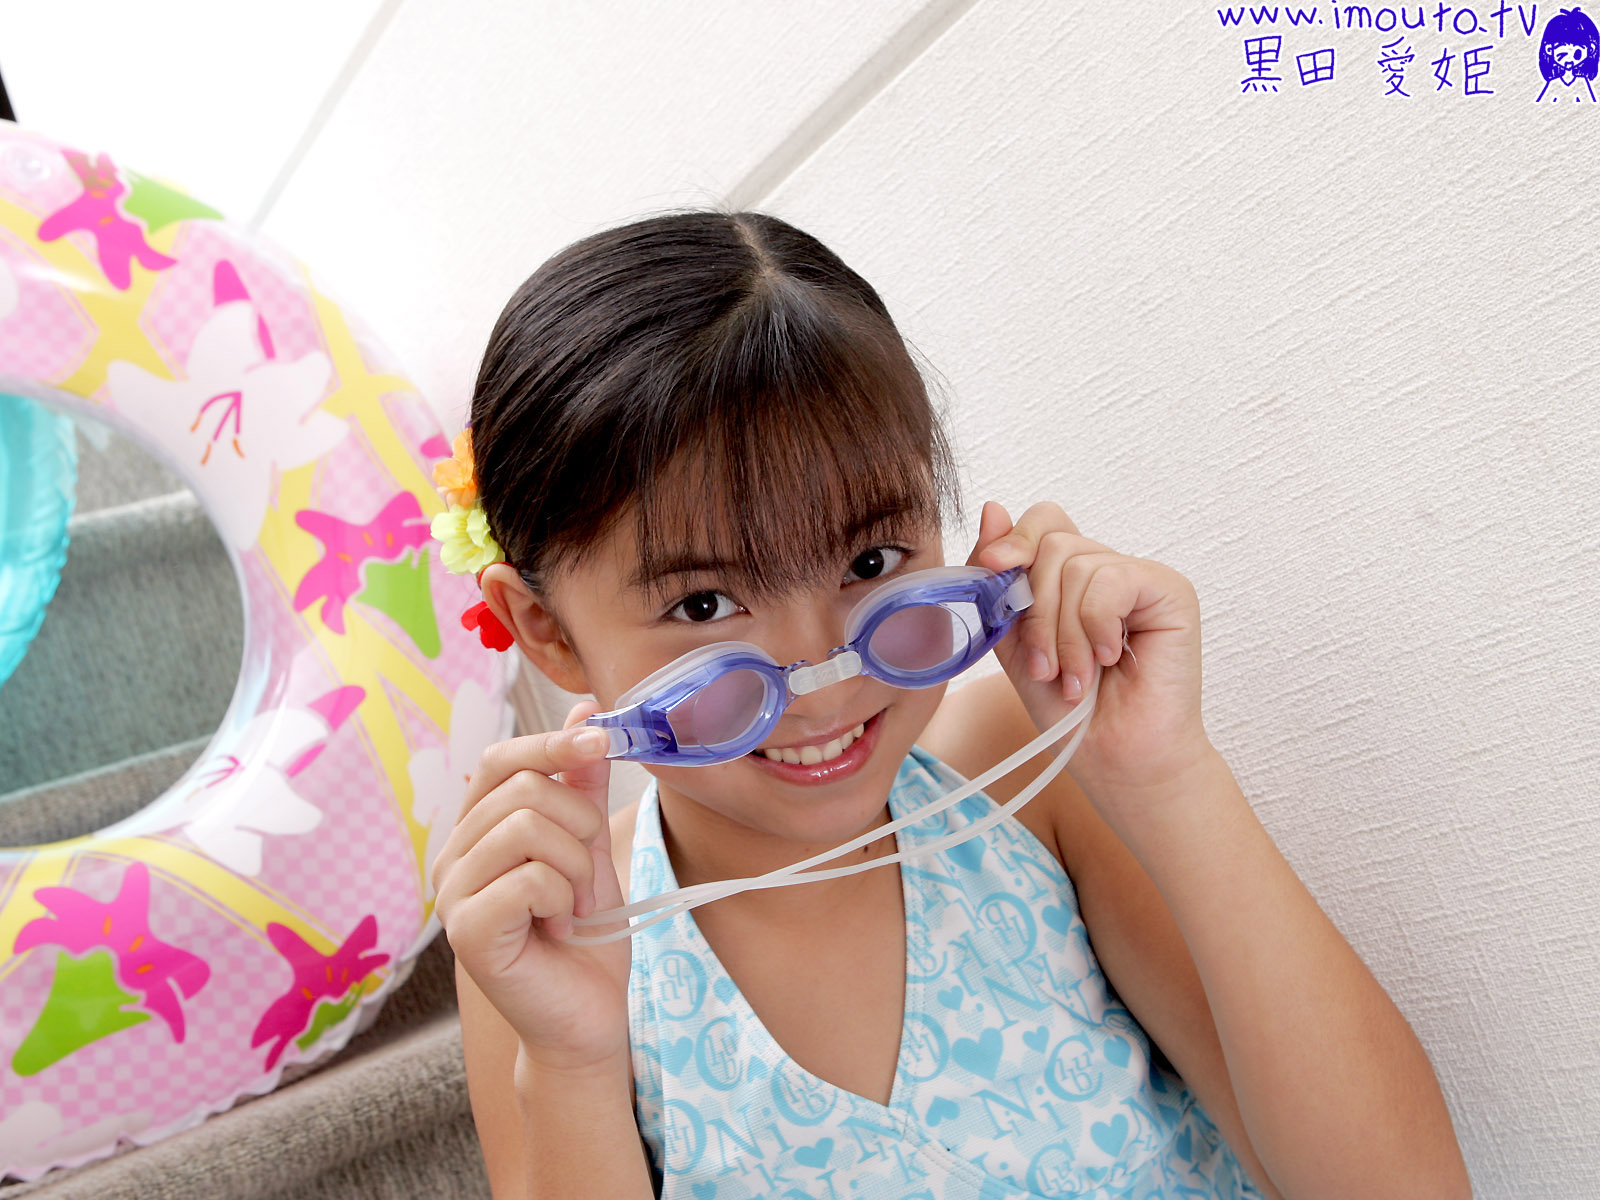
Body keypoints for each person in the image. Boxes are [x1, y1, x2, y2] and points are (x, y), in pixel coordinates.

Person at [428, 209, 1471, 1199]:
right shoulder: (554, 930)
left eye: (870, 561)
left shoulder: (1027, 776)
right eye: (704, 604)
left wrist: (1163, 776)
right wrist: (570, 1062)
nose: (824, 670)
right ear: (546, 630)